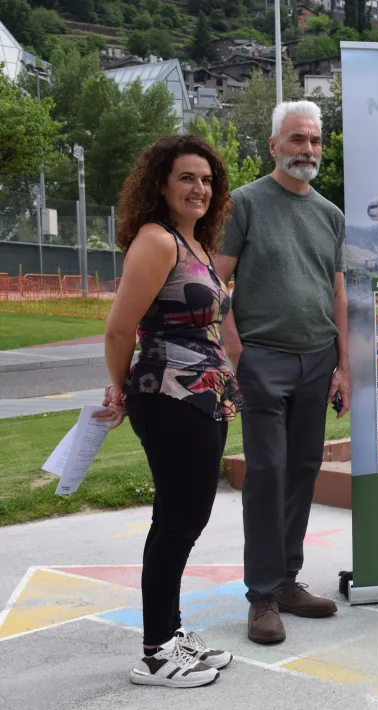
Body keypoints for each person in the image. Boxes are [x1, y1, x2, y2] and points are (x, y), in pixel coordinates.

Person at [97, 134, 240, 687]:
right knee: (178, 520)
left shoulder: (197, 244)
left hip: (203, 398)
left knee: (187, 517)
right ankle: (156, 652)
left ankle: (172, 633)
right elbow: (118, 327)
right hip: (169, 395)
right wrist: (118, 388)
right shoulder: (157, 241)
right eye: (186, 177)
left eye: (206, 179)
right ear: (161, 183)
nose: (199, 188)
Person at [214, 100, 350, 645]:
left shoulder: (330, 214)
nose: (308, 150)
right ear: (273, 145)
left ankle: (288, 581)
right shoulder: (242, 204)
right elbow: (216, 281)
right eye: (297, 140)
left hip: (318, 357)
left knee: (302, 471)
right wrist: (234, 349)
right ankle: (262, 596)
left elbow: (337, 292)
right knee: (267, 473)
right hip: (263, 356)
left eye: (315, 141)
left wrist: (343, 363)